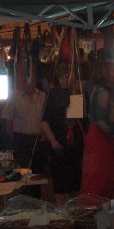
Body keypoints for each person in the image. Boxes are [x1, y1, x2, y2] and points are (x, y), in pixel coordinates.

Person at [40, 63, 84, 205]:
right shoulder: (52, 95)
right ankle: (62, 213)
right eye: (66, 76)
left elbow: (77, 120)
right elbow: (44, 121)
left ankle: (73, 212)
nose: (69, 79)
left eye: (71, 76)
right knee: (59, 184)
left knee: (74, 183)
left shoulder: (76, 94)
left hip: (74, 145)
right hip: (58, 143)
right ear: (60, 78)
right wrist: (52, 140)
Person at [80, 60, 114, 199]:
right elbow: (102, 119)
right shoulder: (102, 91)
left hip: (95, 135)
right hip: (101, 138)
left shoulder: (92, 88)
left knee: (94, 176)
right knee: (101, 177)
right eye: (112, 70)